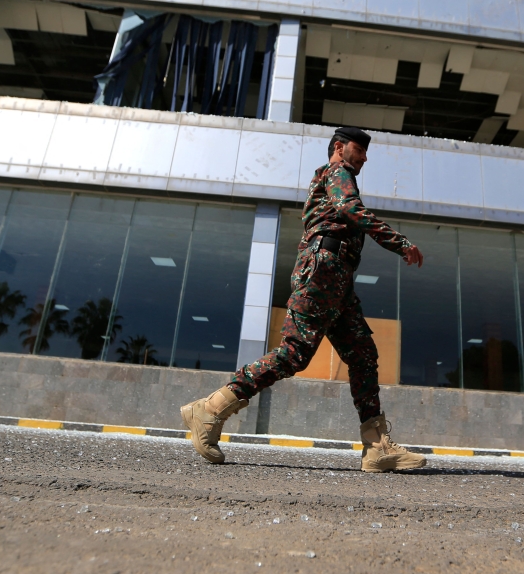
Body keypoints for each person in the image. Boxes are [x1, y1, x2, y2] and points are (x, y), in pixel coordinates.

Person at [181, 126, 428, 473]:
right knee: (294, 354)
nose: (365, 157)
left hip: (337, 280)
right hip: (323, 272)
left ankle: (377, 446)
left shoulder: (333, 176)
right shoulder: (337, 173)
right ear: (340, 149)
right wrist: (399, 242)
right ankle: (209, 410)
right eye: (360, 149)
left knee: (362, 355)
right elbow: (350, 209)